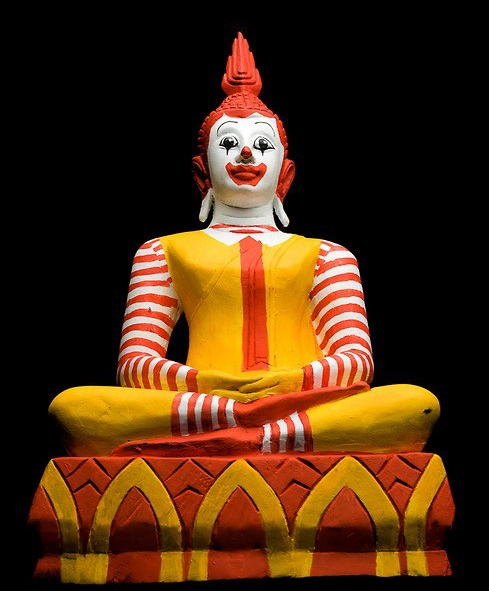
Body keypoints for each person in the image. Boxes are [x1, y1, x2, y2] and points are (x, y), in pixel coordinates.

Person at [50, 33, 439, 457]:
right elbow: (134, 365)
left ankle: (246, 434)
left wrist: (291, 382)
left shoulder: (329, 255)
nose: (248, 154)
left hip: (302, 400)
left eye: (263, 145)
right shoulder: (161, 251)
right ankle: (268, 433)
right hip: (207, 400)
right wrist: (208, 385)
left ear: (285, 174)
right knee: (74, 407)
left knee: (415, 403)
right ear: (202, 172)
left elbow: (356, 361)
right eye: (229, 143)